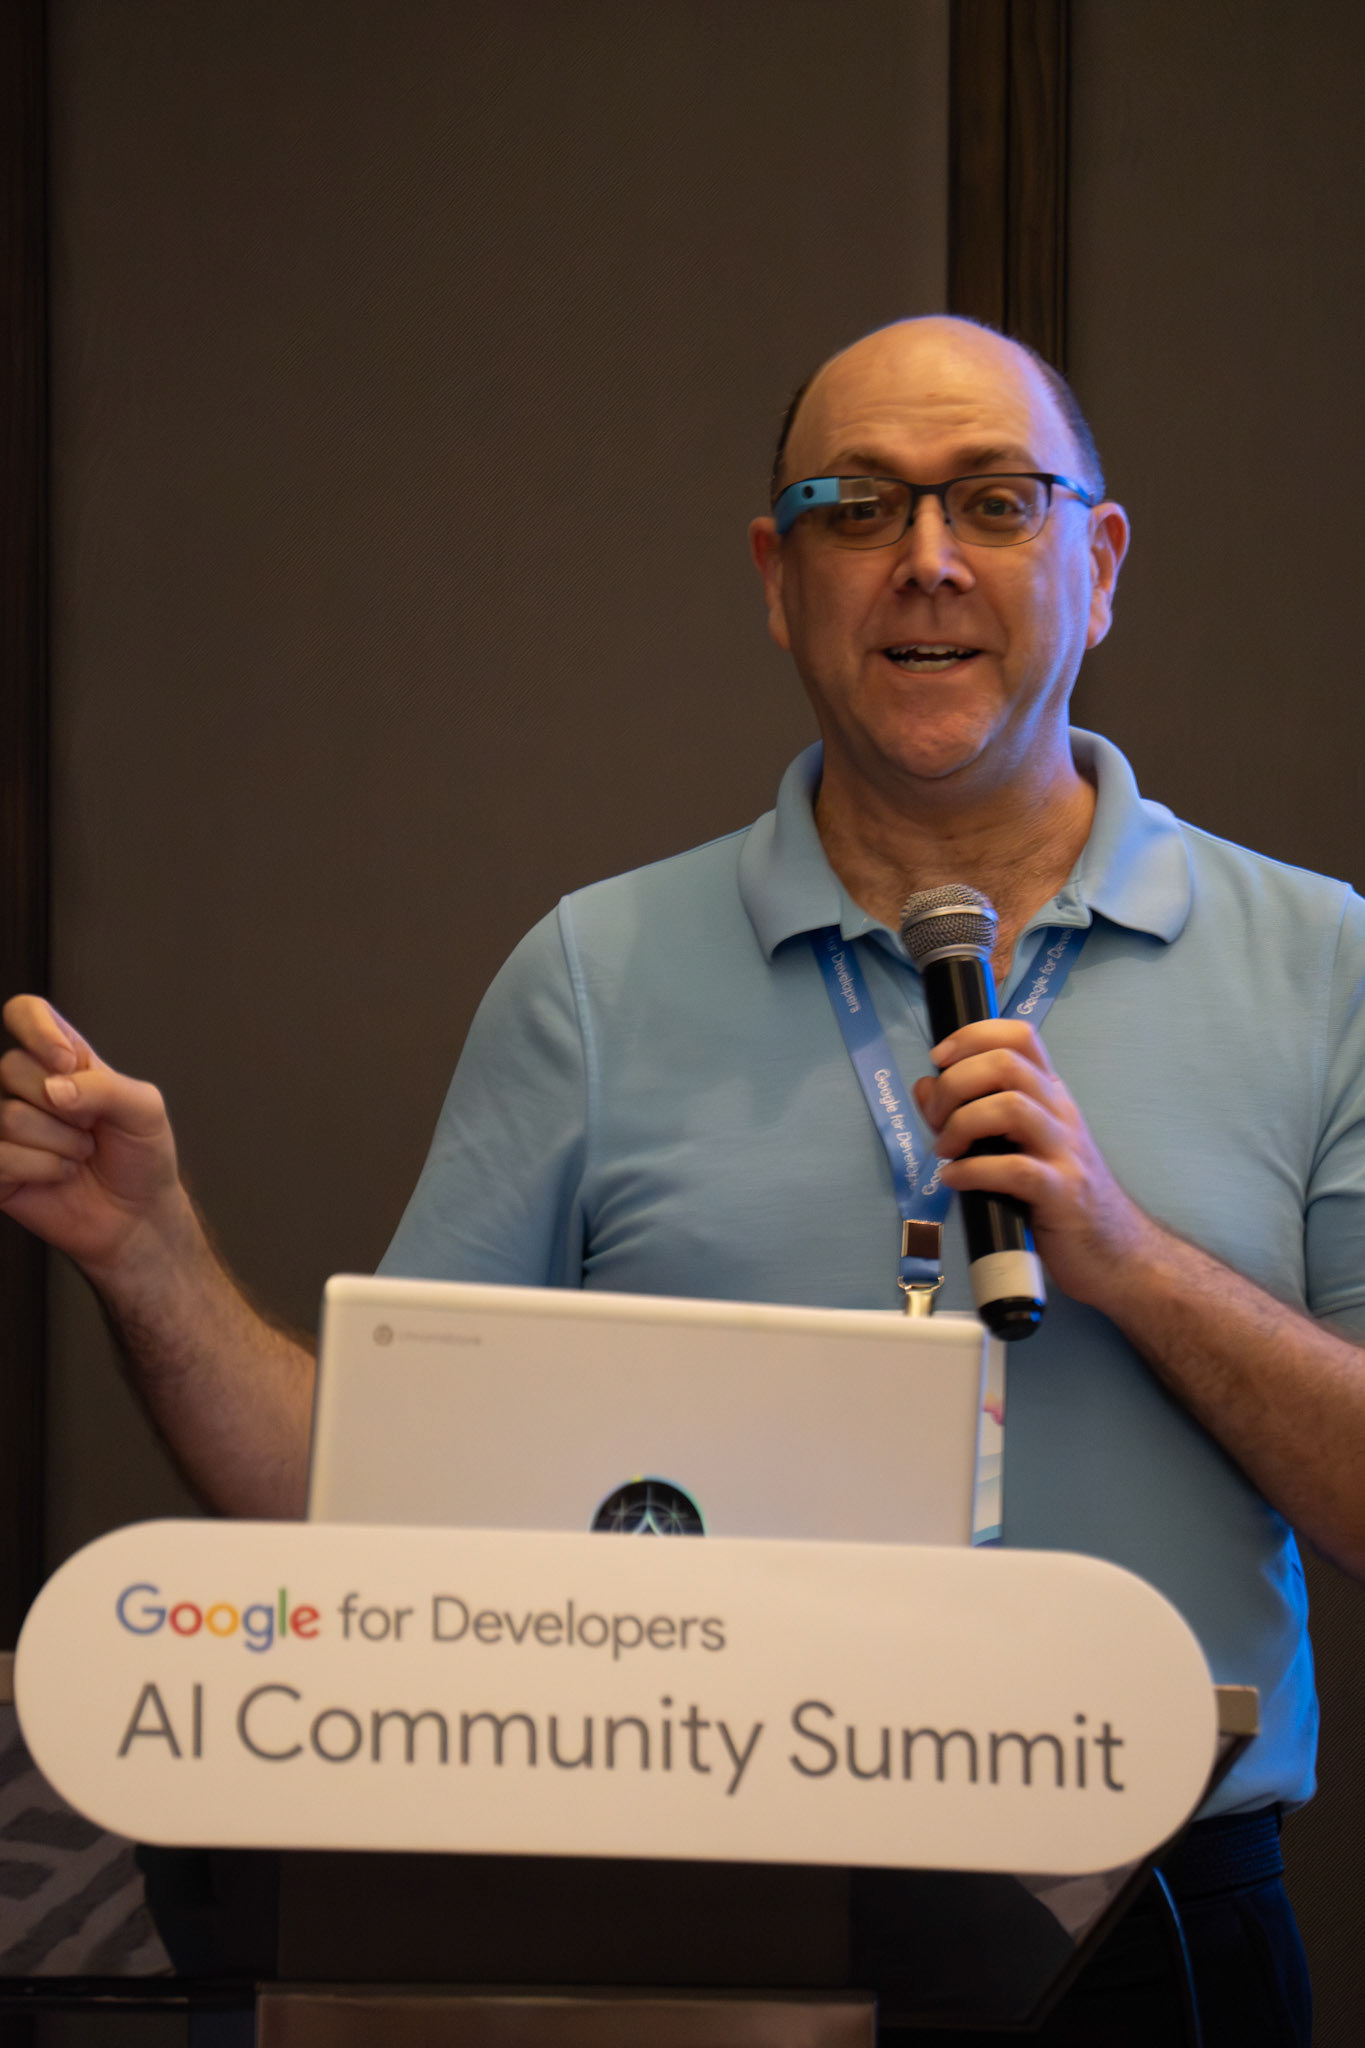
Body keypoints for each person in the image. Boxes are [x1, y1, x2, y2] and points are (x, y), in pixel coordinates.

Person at [1, 315, 1353, 2042]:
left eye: (994, 502)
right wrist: (150, 1256)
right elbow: (370, 1520)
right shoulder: (596, 972)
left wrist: (1130, 1257)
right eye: (856, 507)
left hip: (1160, 1928)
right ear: (779, 581)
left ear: (1096, 567)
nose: (927, 559)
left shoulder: (1324, 964)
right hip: (703, 1929)